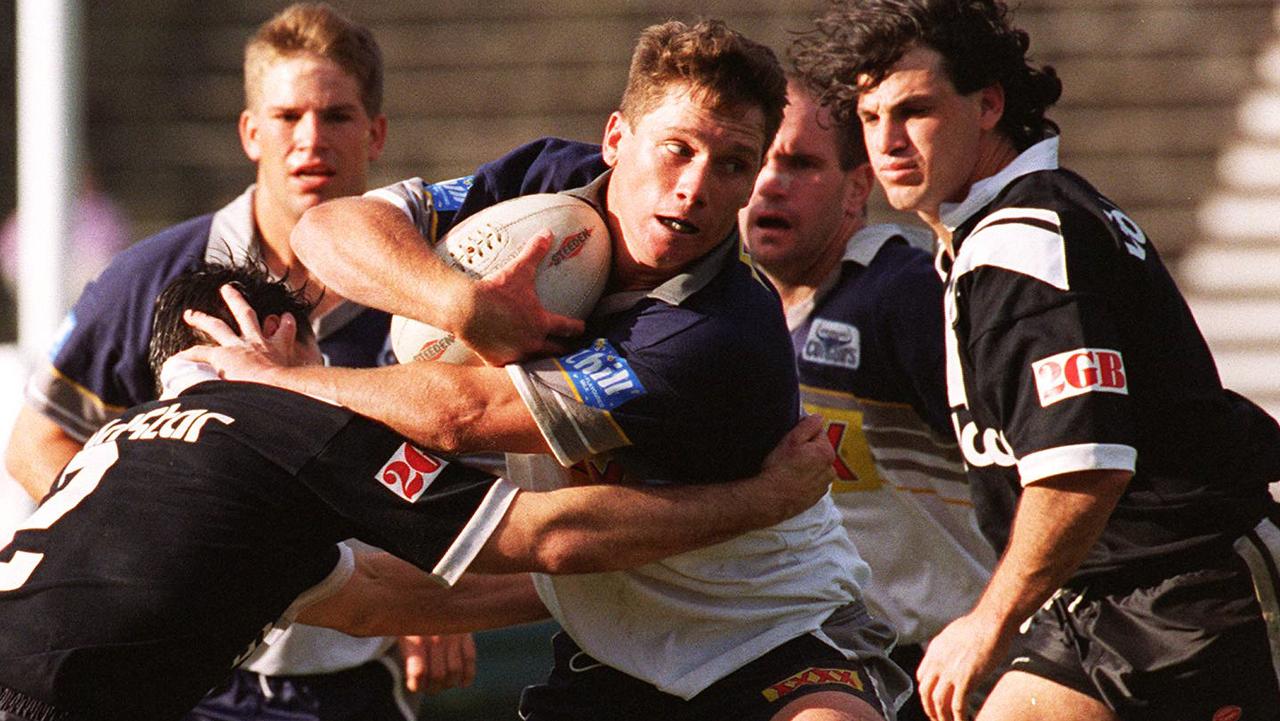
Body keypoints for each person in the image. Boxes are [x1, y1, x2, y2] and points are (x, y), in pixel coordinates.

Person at [187, 19, 910, 721]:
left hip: (778, 640)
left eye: (732, 164)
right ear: (616, 140)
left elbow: (463, 415)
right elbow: (328, 228)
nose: (695, 187)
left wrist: (272, 384)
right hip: (617, 654)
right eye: (677, 149)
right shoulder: (546, 183)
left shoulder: (715, 332)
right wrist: (460, 301)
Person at [0, 259, 839, 721]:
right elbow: (541, 535)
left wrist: (617, 589)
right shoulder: (293, 424)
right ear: (283, 335)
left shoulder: (121, 443)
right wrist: (759, 504)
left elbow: (369, 599)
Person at [0, 4, 496, 718]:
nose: (310, 141)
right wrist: (180, 558)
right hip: (193, 678)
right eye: (288, 116)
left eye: (337, 116)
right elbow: (37, 438)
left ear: (378, 133)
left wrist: (433, 594)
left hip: (354, 675)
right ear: (249, 132)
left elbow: (461, 483)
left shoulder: (432, 294)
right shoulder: (157, 276)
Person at [790, 2, 1280, 720]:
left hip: (1190, 596)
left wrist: (989, 618)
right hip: (1094, 598)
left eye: (915, 110)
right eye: (870, 118)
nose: (887, 141)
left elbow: (1085, 465)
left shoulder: (1026, 242)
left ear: (989, 104)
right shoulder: (1002, 231)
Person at [740, 76, 996, 721]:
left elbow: (1037, 468)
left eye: (800, 163)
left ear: (859, 186)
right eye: (756, 161)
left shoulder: (902, 297)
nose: (769, 183)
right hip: (828, 662)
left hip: (950, 665)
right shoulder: (736, 311)